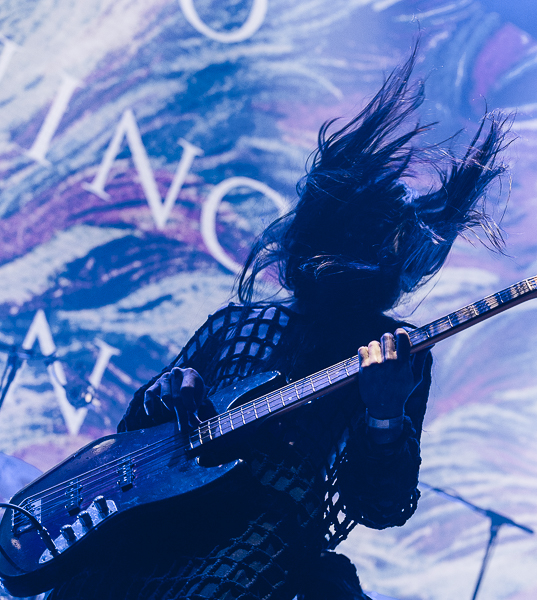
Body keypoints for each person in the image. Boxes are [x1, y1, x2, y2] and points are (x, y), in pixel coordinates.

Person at [47, 51, 510, 600]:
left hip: (254, 549)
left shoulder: (397, 354)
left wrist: (385, 415)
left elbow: (381, 506)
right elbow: (130, 436)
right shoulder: (234, 325)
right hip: (144, 535)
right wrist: (166, 395)